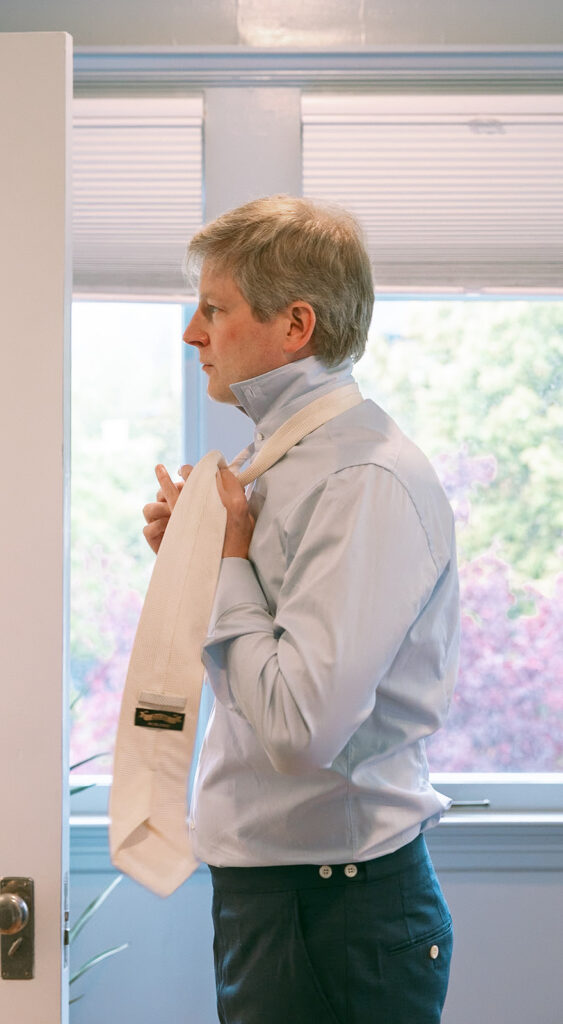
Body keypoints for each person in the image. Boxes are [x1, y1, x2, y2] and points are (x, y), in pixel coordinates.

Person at [143, 195, 459, 1024]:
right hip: (288, 903)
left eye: (214, 308)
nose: (192, 333)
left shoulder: (361, 482)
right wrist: (196, 562)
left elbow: (297, 729)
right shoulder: (279, 462)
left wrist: (224, 569)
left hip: (332, 917)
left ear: (295, 327)